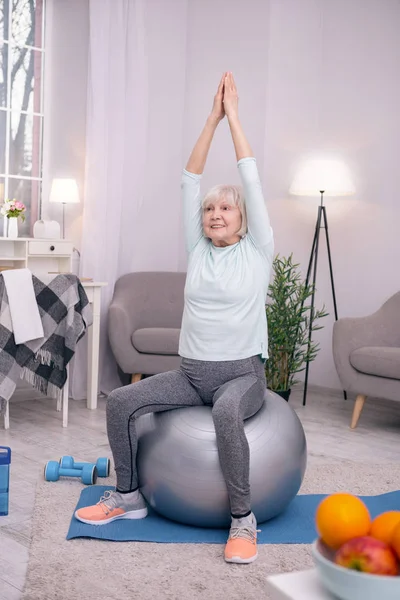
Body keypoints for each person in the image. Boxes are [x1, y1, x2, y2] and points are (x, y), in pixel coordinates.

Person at [75, 72, 274, 565]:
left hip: (241, 373)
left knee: (228, 413)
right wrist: (210, 119)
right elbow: (189, 178)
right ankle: (128, 496)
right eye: (209, 209)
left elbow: (250, 173)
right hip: (191, 374)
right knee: (120, 401)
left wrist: (234, 120)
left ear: (244, 219)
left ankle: (243, 519)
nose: (214, 213)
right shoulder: (197, 249)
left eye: (225, 208)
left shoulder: (258, 251)